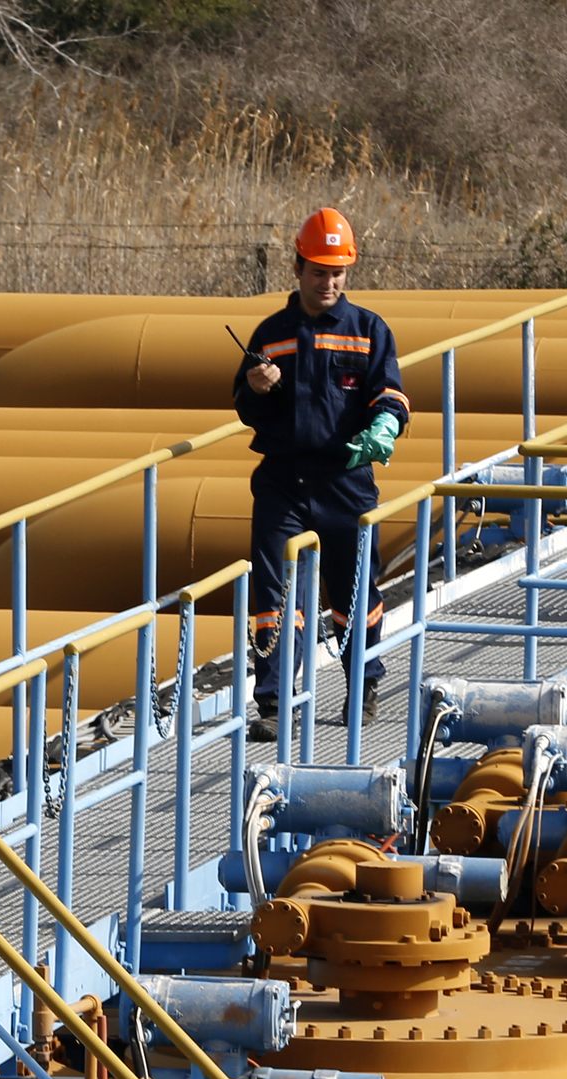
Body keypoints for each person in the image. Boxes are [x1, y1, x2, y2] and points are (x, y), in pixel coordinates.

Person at [234, 207, 409, 741]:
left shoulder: (368, 331)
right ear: (297, 267)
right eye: (318, 271)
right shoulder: (273, 333)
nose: (328, 282)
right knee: (274, 591)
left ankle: (365, 682)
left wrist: (385, 422)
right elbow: (245, 406)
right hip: (284, 482)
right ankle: (272, 701)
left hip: (346, 481)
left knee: (355, 590)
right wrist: (257, 387)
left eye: (337, 272)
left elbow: (392, 393)